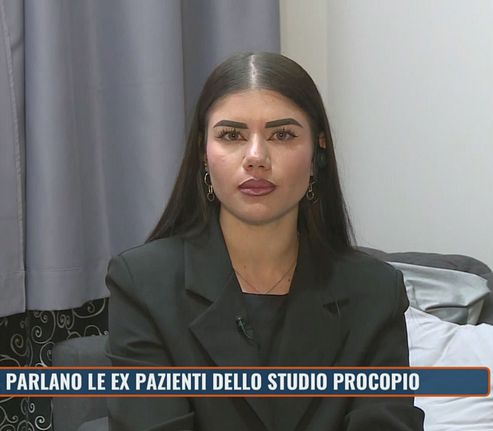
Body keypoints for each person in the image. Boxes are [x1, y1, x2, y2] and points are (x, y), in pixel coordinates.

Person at [106, 52, 424, 431]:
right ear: (203, 153)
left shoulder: (376, 291)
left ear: (317, 151)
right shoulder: (142, 283)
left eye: (282, 135)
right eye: (231, 135)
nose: (256, 157)